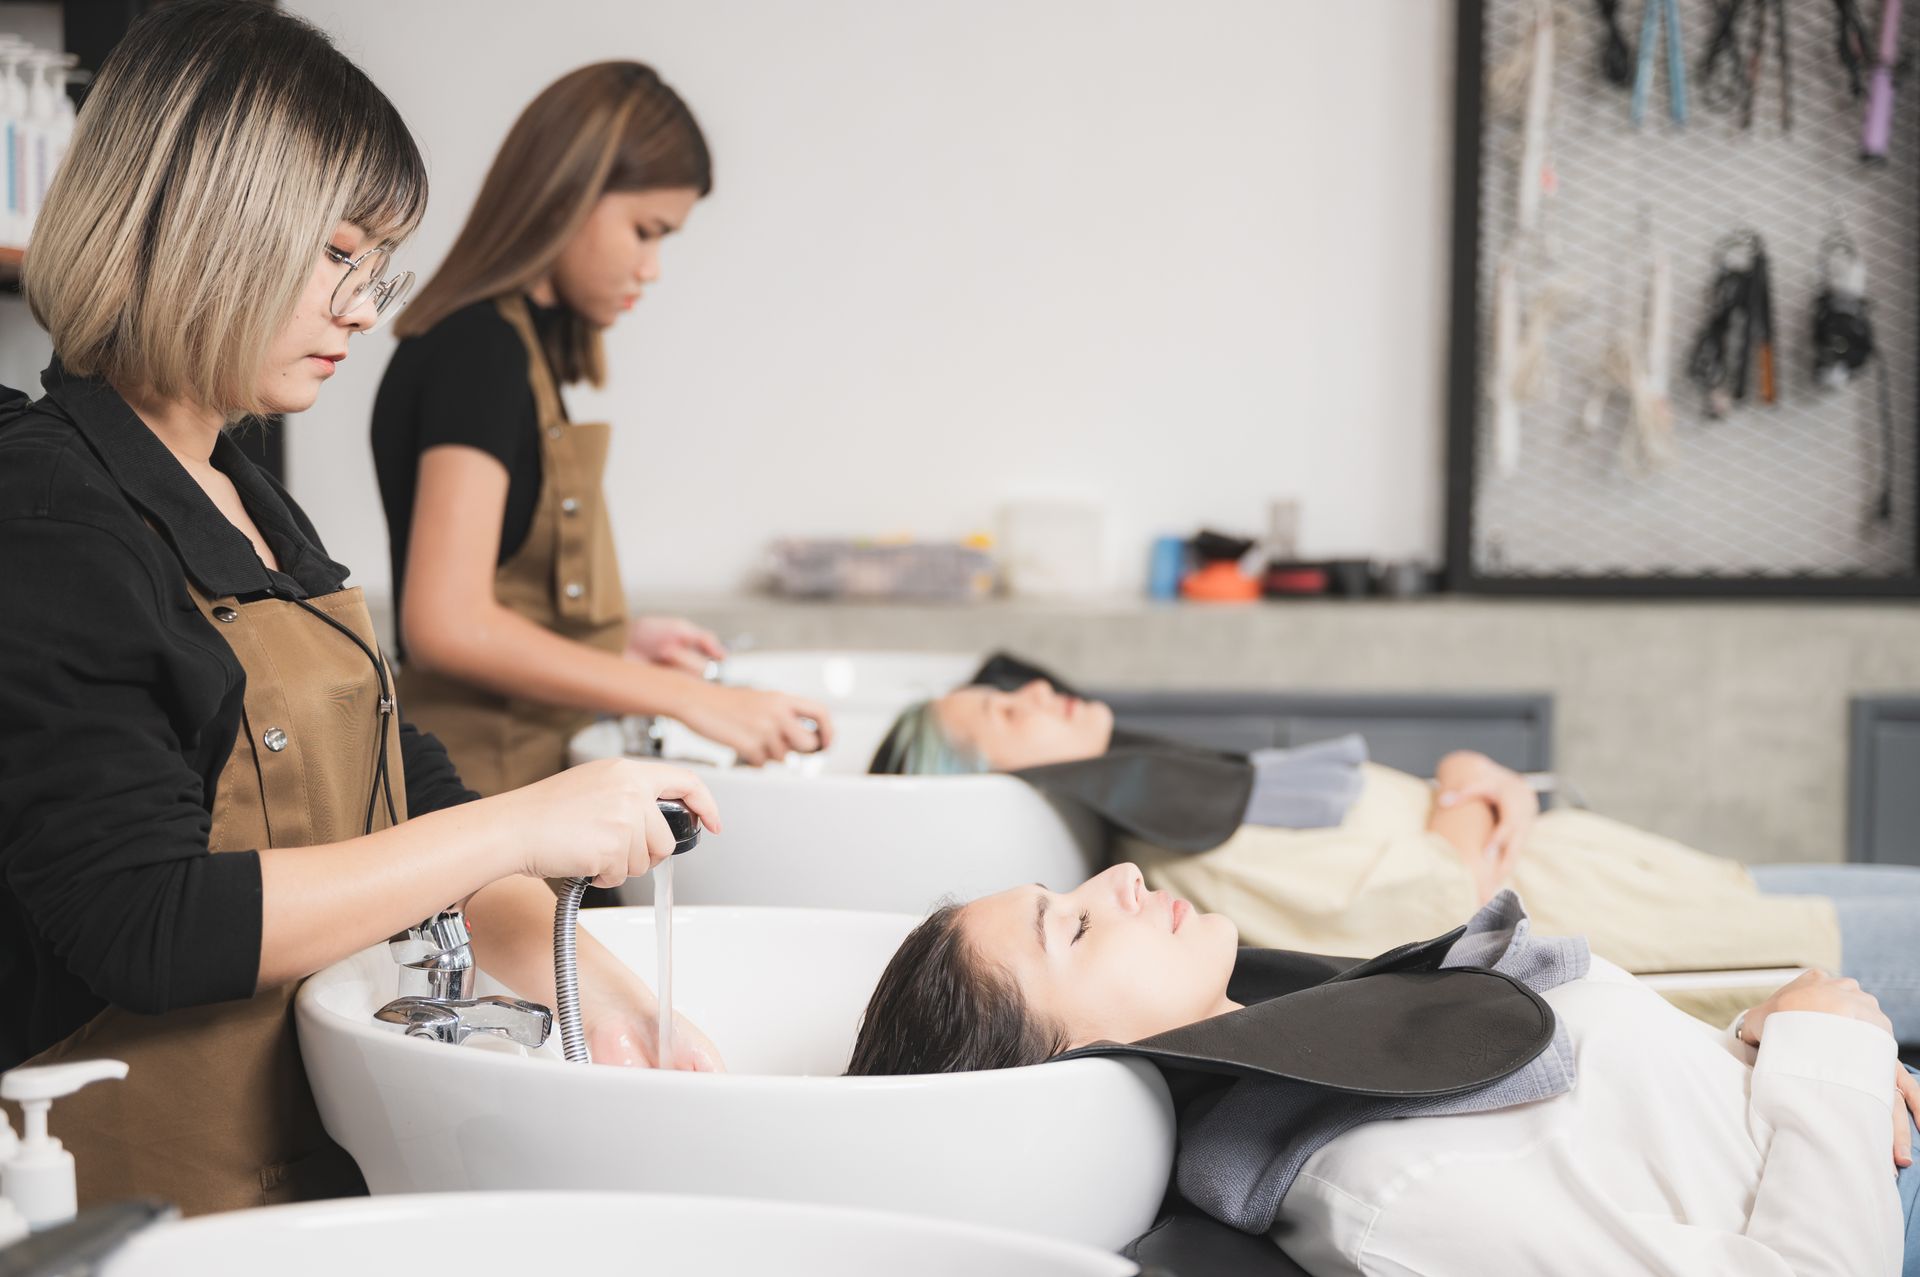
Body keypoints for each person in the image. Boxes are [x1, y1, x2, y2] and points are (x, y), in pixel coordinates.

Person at [0, 1, 720, 1218]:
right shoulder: (47, 509)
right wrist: (522, 827)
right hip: (123, 1202)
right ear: (202, 229)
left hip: (292, 1163)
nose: (363, 306)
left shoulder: (246, 493)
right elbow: (148, 919)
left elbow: (401, 783)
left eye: (373, 266)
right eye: (336, 254)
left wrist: (618, 1001)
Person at [849, 863, 1920, 1276]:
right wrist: (1839, 1058)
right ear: (1072, 1070)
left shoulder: (1337, 1034)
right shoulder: (1390, 1193)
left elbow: (1650, 1138)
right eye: (1073, 929)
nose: (1121, 872)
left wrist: (1766, 1043)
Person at [870, 656, 1920, 1039]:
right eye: (1003, 718)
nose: (1037, 694)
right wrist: (1467, 788)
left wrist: (1467, 782)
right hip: (1686, 933)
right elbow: (1432, 899)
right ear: (992, 783)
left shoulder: (1178, 803)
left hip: (1667, 879)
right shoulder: (1183, 864)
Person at [372, 61, 829, 796]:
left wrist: (613, 640)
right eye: (645, 231)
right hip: (476, 792)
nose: (650, 268)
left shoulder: (512, 349)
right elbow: (445, 621)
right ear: (569, 191)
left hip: (517, 788)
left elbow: (497, 592)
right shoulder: (476, 351)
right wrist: (694, 697)